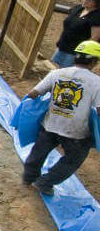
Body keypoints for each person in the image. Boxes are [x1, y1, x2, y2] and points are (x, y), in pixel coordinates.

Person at [22, 40, 100, 196]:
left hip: (50, 124)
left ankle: (28, 177)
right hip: (76, 132)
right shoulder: (97, 82)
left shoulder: (56, 73)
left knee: (39, 151)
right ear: (93, 61)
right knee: (74, 158)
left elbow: (33, 94)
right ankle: (45, 182)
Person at [51, 0, 100, 67]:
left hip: (75, 52)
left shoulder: (97, 17)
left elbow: (94, 38)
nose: (85, 0)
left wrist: (82, 55)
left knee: (68, 73)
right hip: (63, 45)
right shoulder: (78, 8)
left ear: (97, 2)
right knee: (58, 67)